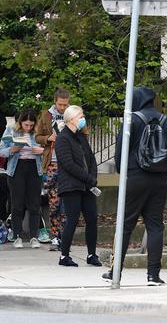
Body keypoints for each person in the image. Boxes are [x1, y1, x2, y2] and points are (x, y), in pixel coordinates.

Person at [102, 87, 167, 286]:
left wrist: (125, 172)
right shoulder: (166, 122)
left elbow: (119, 154)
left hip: (135, 179)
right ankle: (153, 275)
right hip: (159, 181)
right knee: (155, 226)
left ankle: (114, 270)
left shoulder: (131, 120)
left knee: (125, 225)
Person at [54, 105, 101, 267]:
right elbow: (68, 164)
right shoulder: (62, 138)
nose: (83, 118)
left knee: (92, 218)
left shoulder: (81, 137)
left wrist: (92, 177)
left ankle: (91, 254)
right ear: (71, 119)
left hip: (86, 185)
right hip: (71, 186)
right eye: (80, 116)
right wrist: (88, 178)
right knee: (72, 219)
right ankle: (64, 256)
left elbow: (91, 159)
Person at [0, 109, 44, 249]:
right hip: (17, 168)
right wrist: (12, 150)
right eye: (26, 125)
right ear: (20, 123)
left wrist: (41, 151)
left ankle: (34, 237)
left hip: (34, 168)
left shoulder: (39, 132)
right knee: (17, 204)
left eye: (31, 125)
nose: (28, 128)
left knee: (34, 204)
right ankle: (17, 236)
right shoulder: (11, 129)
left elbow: (48, 149)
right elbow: (1, 150)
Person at [36, 88, 71, 251]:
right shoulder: (46, 115)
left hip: (68, 163)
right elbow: (37, 136)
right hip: (52, 162)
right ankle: (56, 235)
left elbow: (83, 134)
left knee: (66, 202)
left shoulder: (73, 114)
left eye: (65, 104)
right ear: (54, 101)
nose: (62, 107)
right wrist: (47, 138)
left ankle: (65, 236)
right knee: (54, 201)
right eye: (60, 104)